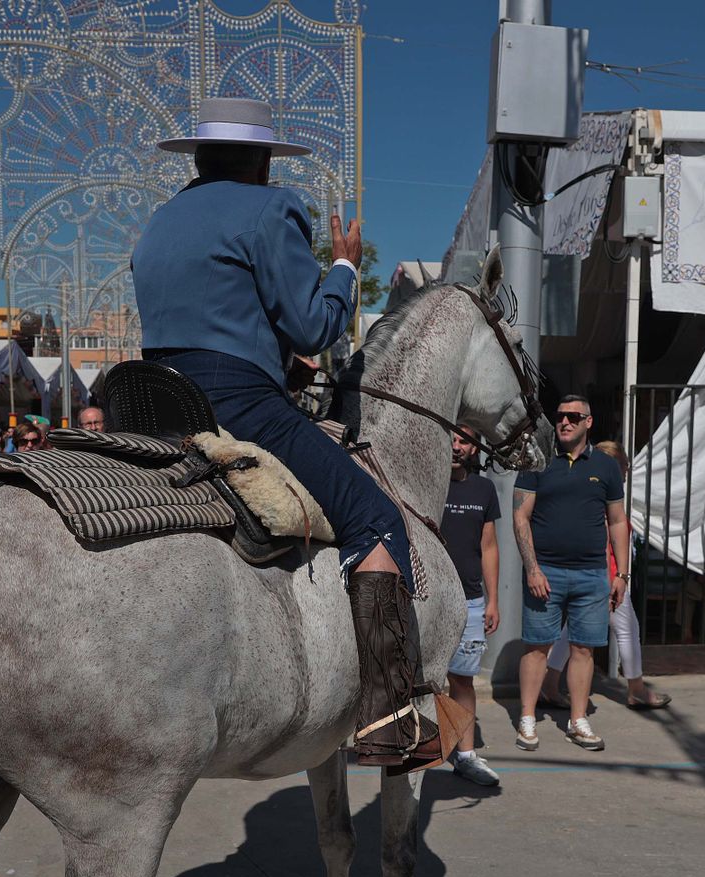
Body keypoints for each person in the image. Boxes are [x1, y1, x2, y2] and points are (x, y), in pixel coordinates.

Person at [132, 96, 438, 768]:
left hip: (151, 400)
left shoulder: (161, 219)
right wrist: (344, 268)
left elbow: (205, 315)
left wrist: (270, 357)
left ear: (199, 158)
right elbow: (312, 326)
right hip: (233, 402)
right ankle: (391, 717)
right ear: (264, 162)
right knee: (376, 517)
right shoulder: (271, 209)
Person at [511, 395, 630, 753]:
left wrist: (622, 574)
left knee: (583, 649)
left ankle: (578, 721)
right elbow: (520, 517)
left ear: (588, 422)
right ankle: (527, 717)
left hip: (592, 575)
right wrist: (532, 569)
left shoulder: (606, 467)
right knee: (537, 647)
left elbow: (618, 521)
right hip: (545, 573)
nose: (564, 422)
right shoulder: (537, 460)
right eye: (560, 416)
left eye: (573, 417)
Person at [543, 441, 671, 711]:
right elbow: (602, 546)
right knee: (627, 630)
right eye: (624, 466)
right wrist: (614, 579)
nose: (626, 472)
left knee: (571, 631)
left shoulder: (594, 495)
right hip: (605, 578)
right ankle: (636, 689)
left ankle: (550, 684)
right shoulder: (604, 499)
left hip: (597, 576)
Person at [438, 431, 500, 786]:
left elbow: (488, 547)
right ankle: (417, 748)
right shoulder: (429, 484)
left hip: (471, 600)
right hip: (428, 597)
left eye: (463, 441)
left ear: (474, 448)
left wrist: (493, 600)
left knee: (462, 678)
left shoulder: (484, 489)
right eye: (451, 439)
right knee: (420, 679)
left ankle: (465, 755)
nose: (455, 446)